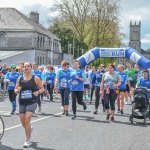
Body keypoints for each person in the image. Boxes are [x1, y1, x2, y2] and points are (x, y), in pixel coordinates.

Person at [14, 62, 44, 148]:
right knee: (23, 123)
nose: (26, 68)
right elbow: (16, 89)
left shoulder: (36, 78)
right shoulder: (20, 78)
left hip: (32, 101)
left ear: (31, 68)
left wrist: (38, 92)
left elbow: (42, 88)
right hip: (22, 101)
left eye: (28, 66)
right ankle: (29, 129)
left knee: (27, 119)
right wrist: (16, 90)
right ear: (23, 68)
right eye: (25, 66)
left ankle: (27, 140)